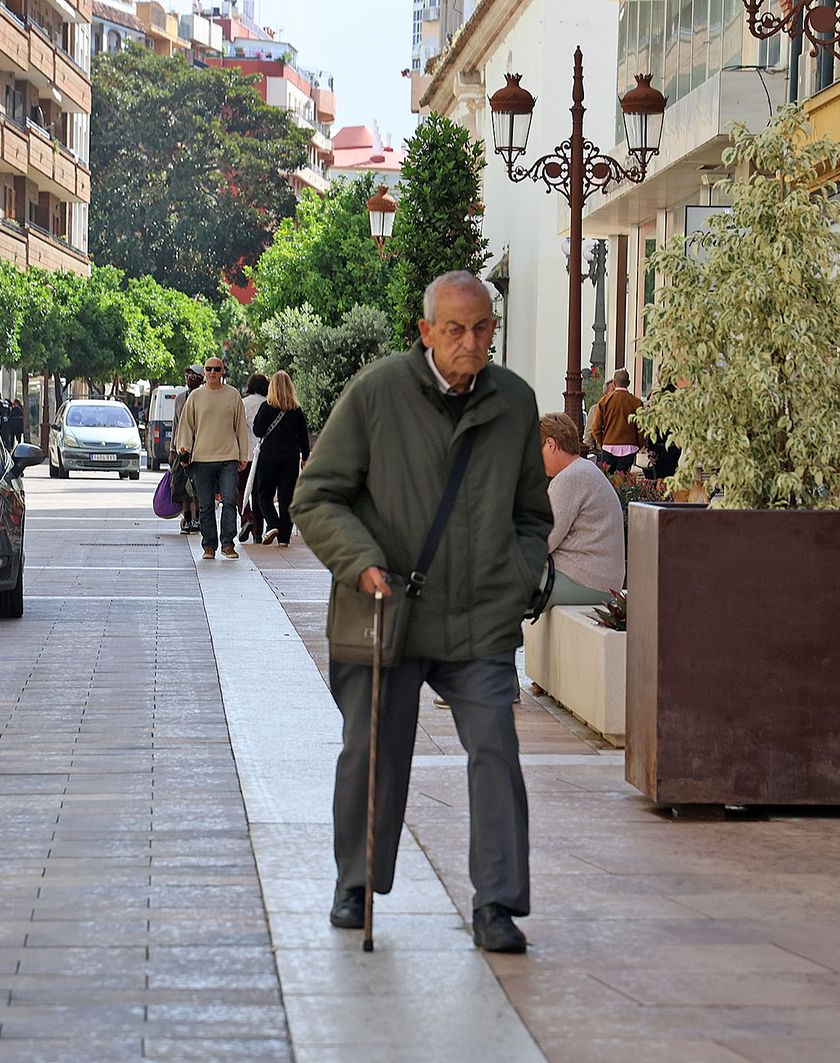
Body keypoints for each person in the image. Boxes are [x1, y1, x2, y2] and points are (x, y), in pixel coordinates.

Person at [291, 270, 553, 954]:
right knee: (372, 751)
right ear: (426, 331)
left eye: (483, 328)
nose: (471, 342)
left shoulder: (516, 404)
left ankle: (497, 902)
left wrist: (520, 575)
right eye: (456, 329)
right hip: (389, 611)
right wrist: (361, 562)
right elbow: (316, 496)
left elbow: (532, 513)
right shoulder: (378, 392)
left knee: (496, 747)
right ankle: (357, 881)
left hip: (480, 617)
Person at [538, 412, 624, 606]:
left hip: (585, 581)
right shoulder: (585, 470)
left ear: (551, 444)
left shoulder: (570, 478)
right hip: (600, 580)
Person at [174, 356, 249, 560]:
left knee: (230, 500)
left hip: (228, 457)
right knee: (206, 504)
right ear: (204, 372)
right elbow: (186, 426)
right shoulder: (196, 397)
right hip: (202, 458)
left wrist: (243, 455)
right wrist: (184, 450)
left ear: (222, 371)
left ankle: (227, 544)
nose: (213, 373)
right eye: (209, 369)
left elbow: (240, 427)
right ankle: (209, 546)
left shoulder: (233, 395)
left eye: (217, 369)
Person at [251, 370, 309, 547]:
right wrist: (305, 457)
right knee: (287, 498)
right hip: (290, 457)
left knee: (264, 495)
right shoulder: (296, 410)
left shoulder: (266, 407)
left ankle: (273, 523)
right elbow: (303, 437)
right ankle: (284, 538)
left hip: (269, 456)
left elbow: (258, 431)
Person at [587, 369, 643, 472]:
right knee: (623, 481)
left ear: (614, 383)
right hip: (629, 446)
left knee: (609, 480)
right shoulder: (636, 403)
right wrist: (638, 444)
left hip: (609, 446)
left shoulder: (604, 401)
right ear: (629, 383)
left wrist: (603, 442)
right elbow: (641, 428)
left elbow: (596, 427)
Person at [171, 364, 205, 535]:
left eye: (194, 375)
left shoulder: (205, 397)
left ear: (201, 378)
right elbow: (175, 425)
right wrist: (172, 449)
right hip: (181, 449)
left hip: (199, 449)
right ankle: (187, 518)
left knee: (198, 486)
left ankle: (198, 518)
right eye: (188, 374)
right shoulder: (179, 399)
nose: (190, 377)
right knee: (181, 486)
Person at [239, 373, 269, 543]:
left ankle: (246, 517)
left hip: (246, 453)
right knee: (258, 493)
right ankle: (258, 532)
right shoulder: (268, 404)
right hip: (263, 455)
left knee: (240, 489)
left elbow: (239, 429)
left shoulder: (244, 403)